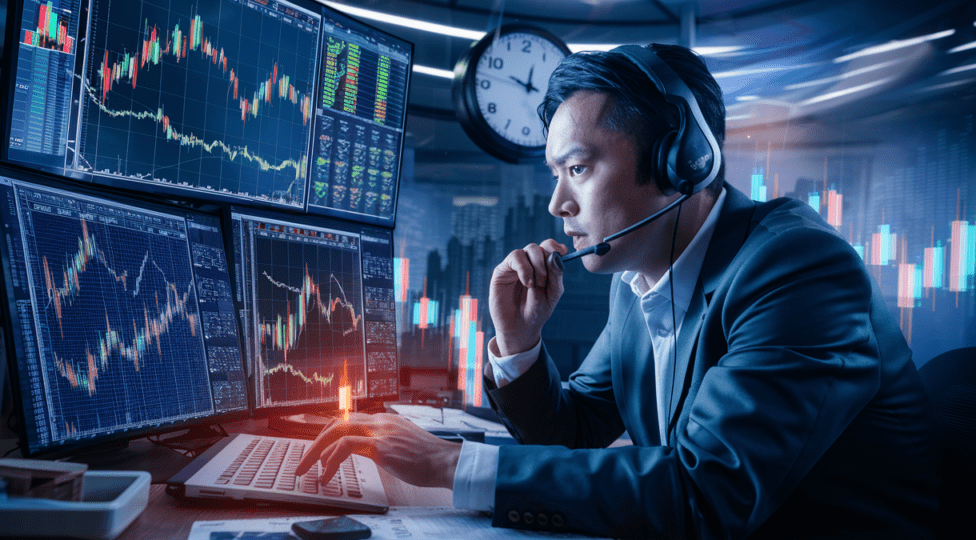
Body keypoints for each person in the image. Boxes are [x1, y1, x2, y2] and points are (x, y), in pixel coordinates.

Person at [296, 44, 940, 539]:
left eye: (577, 169)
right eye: (556, 174)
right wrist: (519, 345)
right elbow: (576, 431)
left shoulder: (795, 271)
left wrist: (449, 466)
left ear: (679, 160)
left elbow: (707, 492)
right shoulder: (639, 277)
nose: (557, 203)